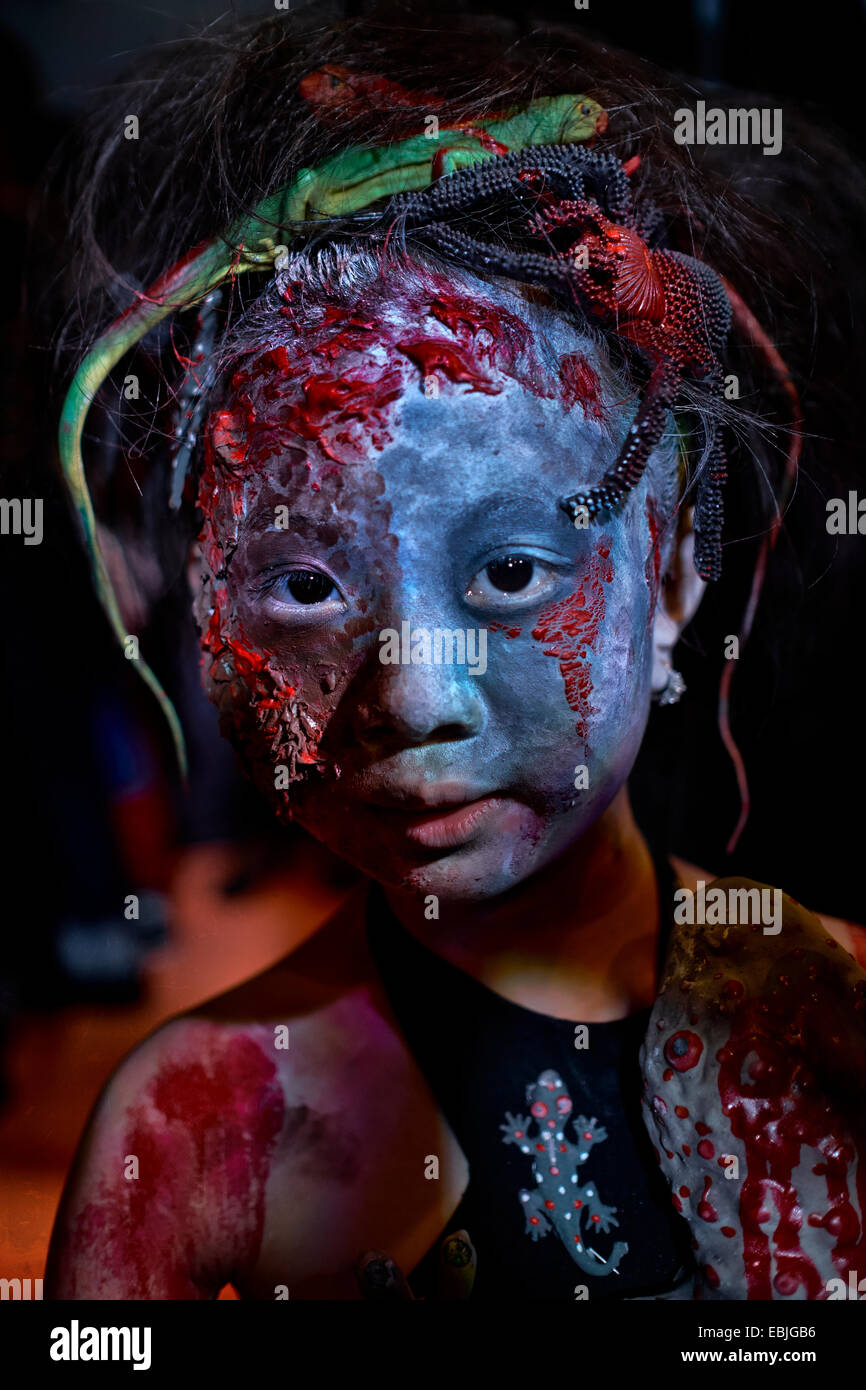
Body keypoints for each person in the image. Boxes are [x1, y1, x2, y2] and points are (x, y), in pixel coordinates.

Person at [44, 5, 866, 1301]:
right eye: (305, 585)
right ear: (206, 606)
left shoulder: (839, 1020)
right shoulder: (199, 1129)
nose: (412, 694)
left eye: (509, 571)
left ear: (667, 577)